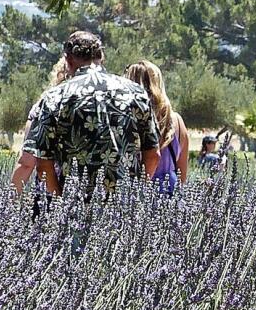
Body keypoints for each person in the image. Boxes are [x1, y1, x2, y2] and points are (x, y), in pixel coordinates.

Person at [10, 29, 160, 199]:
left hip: (74, 206)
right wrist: (137, 196)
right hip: (124, 208)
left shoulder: (54, 98)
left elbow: (43, 164)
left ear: (67, 60)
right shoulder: (136, 93)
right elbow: (153, 154)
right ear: (101, 57)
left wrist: (60, 204)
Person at [126, 59, 189, 194]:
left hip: (133, 196)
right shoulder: (176, 121)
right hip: (169, 195)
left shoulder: (127, 118)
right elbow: (182, 177)